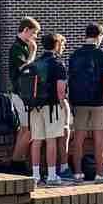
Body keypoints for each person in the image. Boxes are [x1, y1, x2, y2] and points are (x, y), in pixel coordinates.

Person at [66, 23, 103, 183]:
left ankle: (78, 174)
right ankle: (100, 174)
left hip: (78, 101)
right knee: (99, 137)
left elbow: (70, 79)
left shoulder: (74, 55)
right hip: (98, 101)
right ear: (99, 36)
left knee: (78, 138)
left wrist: (71, 100)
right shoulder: (102, 55)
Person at [22, 33, 69, 185]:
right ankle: (51, 175)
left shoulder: (36, 63)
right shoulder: (58, 64)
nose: (62, 47)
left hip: (35, 107)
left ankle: (35, 176)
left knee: (36, 141)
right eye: (62, 44)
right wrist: (64, 107)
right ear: (56, 45)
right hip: (52, 107)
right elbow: (61, 92)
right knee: (51, 141)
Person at [7, 18, 39, 171]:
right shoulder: (16, 48)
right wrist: (33, 53)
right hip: (20, 94)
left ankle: (18, 161)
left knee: (24, 129)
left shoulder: (22, 46)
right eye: (34, 33)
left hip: (23, 93)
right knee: (28, 130)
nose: (35, 37)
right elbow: (24, 69)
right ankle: (17, 163)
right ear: (26, 30)